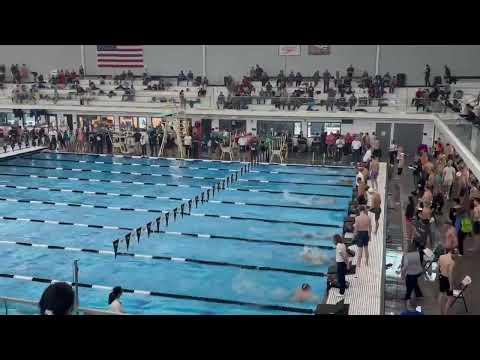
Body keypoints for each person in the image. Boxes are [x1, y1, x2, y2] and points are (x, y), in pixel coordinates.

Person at [438, 248, 455, 315]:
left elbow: (438, 267)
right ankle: (445, 313)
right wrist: (451, 285)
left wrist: (438, 276)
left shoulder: (441, 257)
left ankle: (441, 311)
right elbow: (450, 274)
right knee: (450, 298)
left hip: (441, 277)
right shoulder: (452, 261)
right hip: (447, 279)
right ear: (451, 252)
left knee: (441, 294)